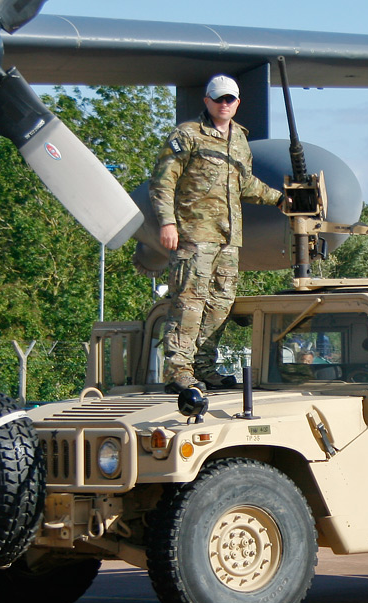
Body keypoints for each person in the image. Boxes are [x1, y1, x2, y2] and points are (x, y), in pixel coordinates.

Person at [150, 74, 285, 394]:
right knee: (188, 301)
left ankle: (204, 366)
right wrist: (167, 222)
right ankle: (178, 370)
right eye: (219, 98)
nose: (225, 104)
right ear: (207, 101)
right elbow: (163, 182)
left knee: (221, 303)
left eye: (230, 99)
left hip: (228, 237)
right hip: (194, 233)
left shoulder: (239, 138)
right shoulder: (187, 135)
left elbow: (245, 184)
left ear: (238, 103)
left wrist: (279, 198)